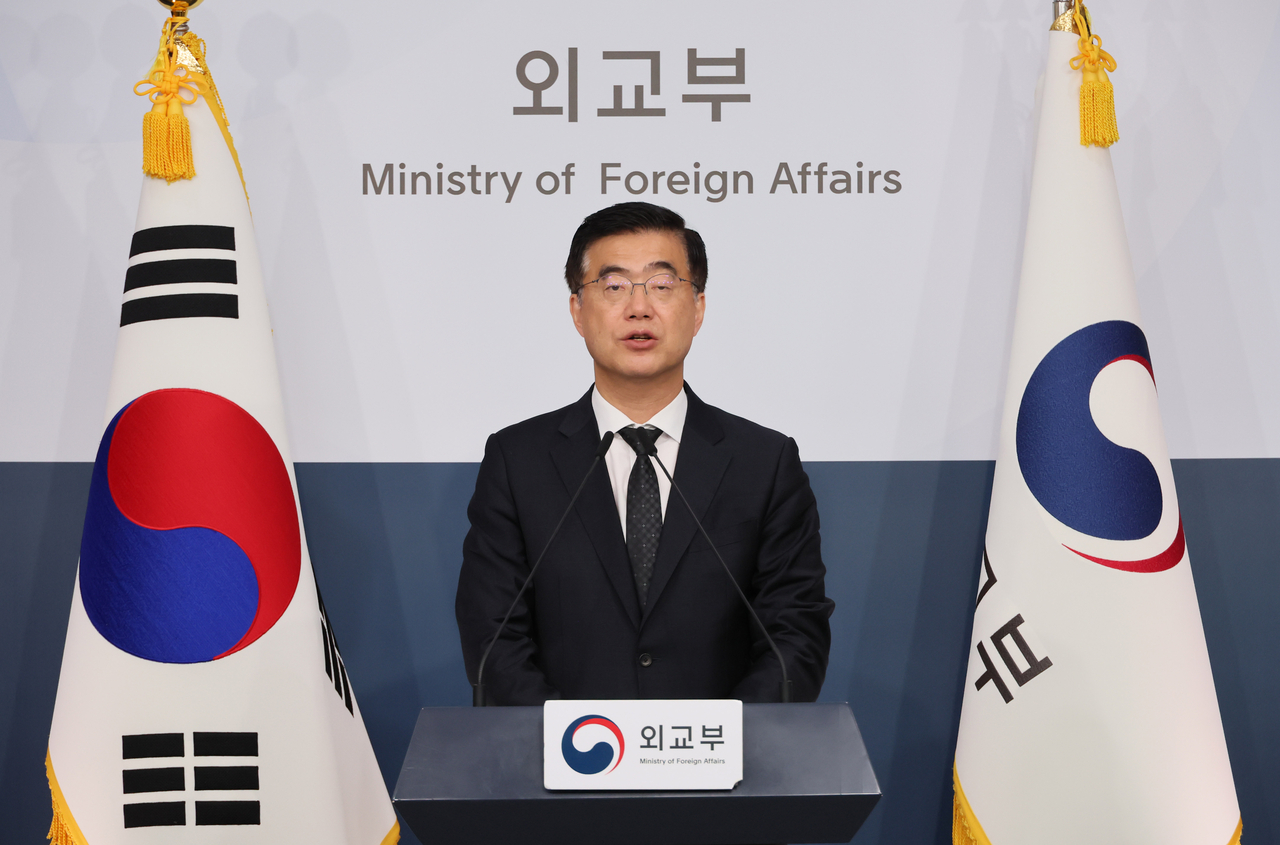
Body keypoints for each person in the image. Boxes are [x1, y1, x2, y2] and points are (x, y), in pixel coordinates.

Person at [455, 202, 833, 704]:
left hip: (725, 774)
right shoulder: (517, 461)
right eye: (613, 287)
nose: (639, 308)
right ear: (577, 311)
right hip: (562, 769)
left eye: (662, 285)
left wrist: (717, 748)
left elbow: (795, 636)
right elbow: (494, 637)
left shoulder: (763, 464)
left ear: (697, 309)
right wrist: (576, 747)